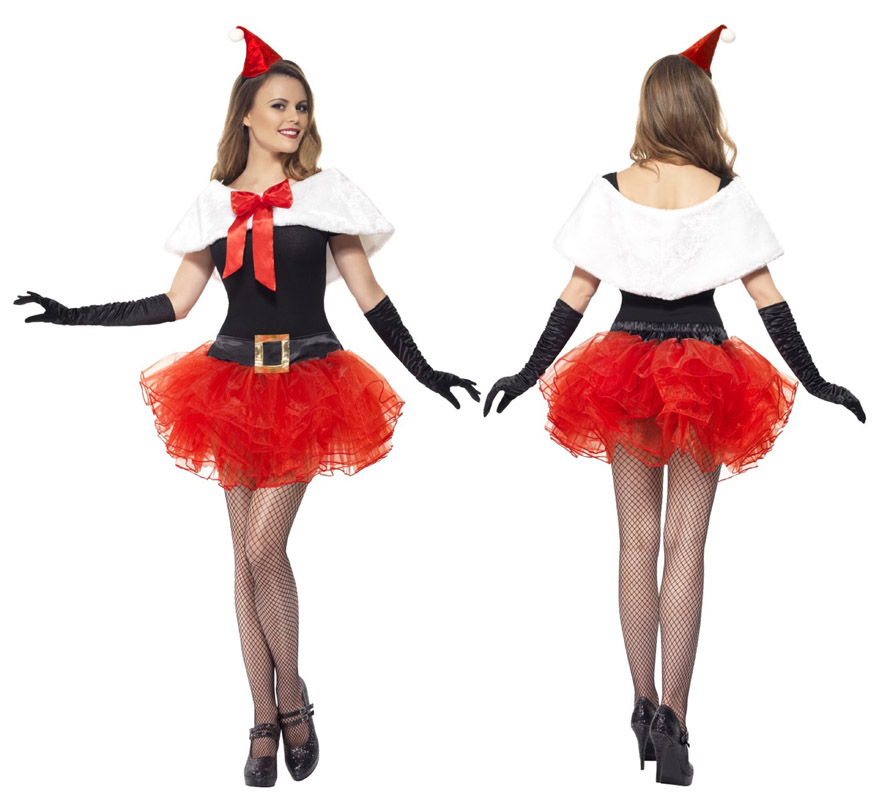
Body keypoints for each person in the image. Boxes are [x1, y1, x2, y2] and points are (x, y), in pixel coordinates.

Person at [14, 26, 478, 788]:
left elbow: (371, 299)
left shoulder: (326, 196)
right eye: (280, 106)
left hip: (308, 381)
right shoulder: (213, 205)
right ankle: (262, 715)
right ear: (247, 116)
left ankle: (292, 695)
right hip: (229, 383)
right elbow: (173, 304)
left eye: (302, 106)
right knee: (242, 558)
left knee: (265, 548)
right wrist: (73, 314)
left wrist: (427, 372)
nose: (293, 118)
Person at [483, 24, 864, 787]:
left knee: (635, 544)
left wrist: (528, 372)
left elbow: (576, 294)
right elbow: (768, 299)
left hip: (623, 366)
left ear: (651, 108)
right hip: (705, 370)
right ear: (700, 108)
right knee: (686, 545)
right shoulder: (724, 193)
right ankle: (675, 719)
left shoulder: (612, 188)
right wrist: (815, 378)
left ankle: (639, 704)